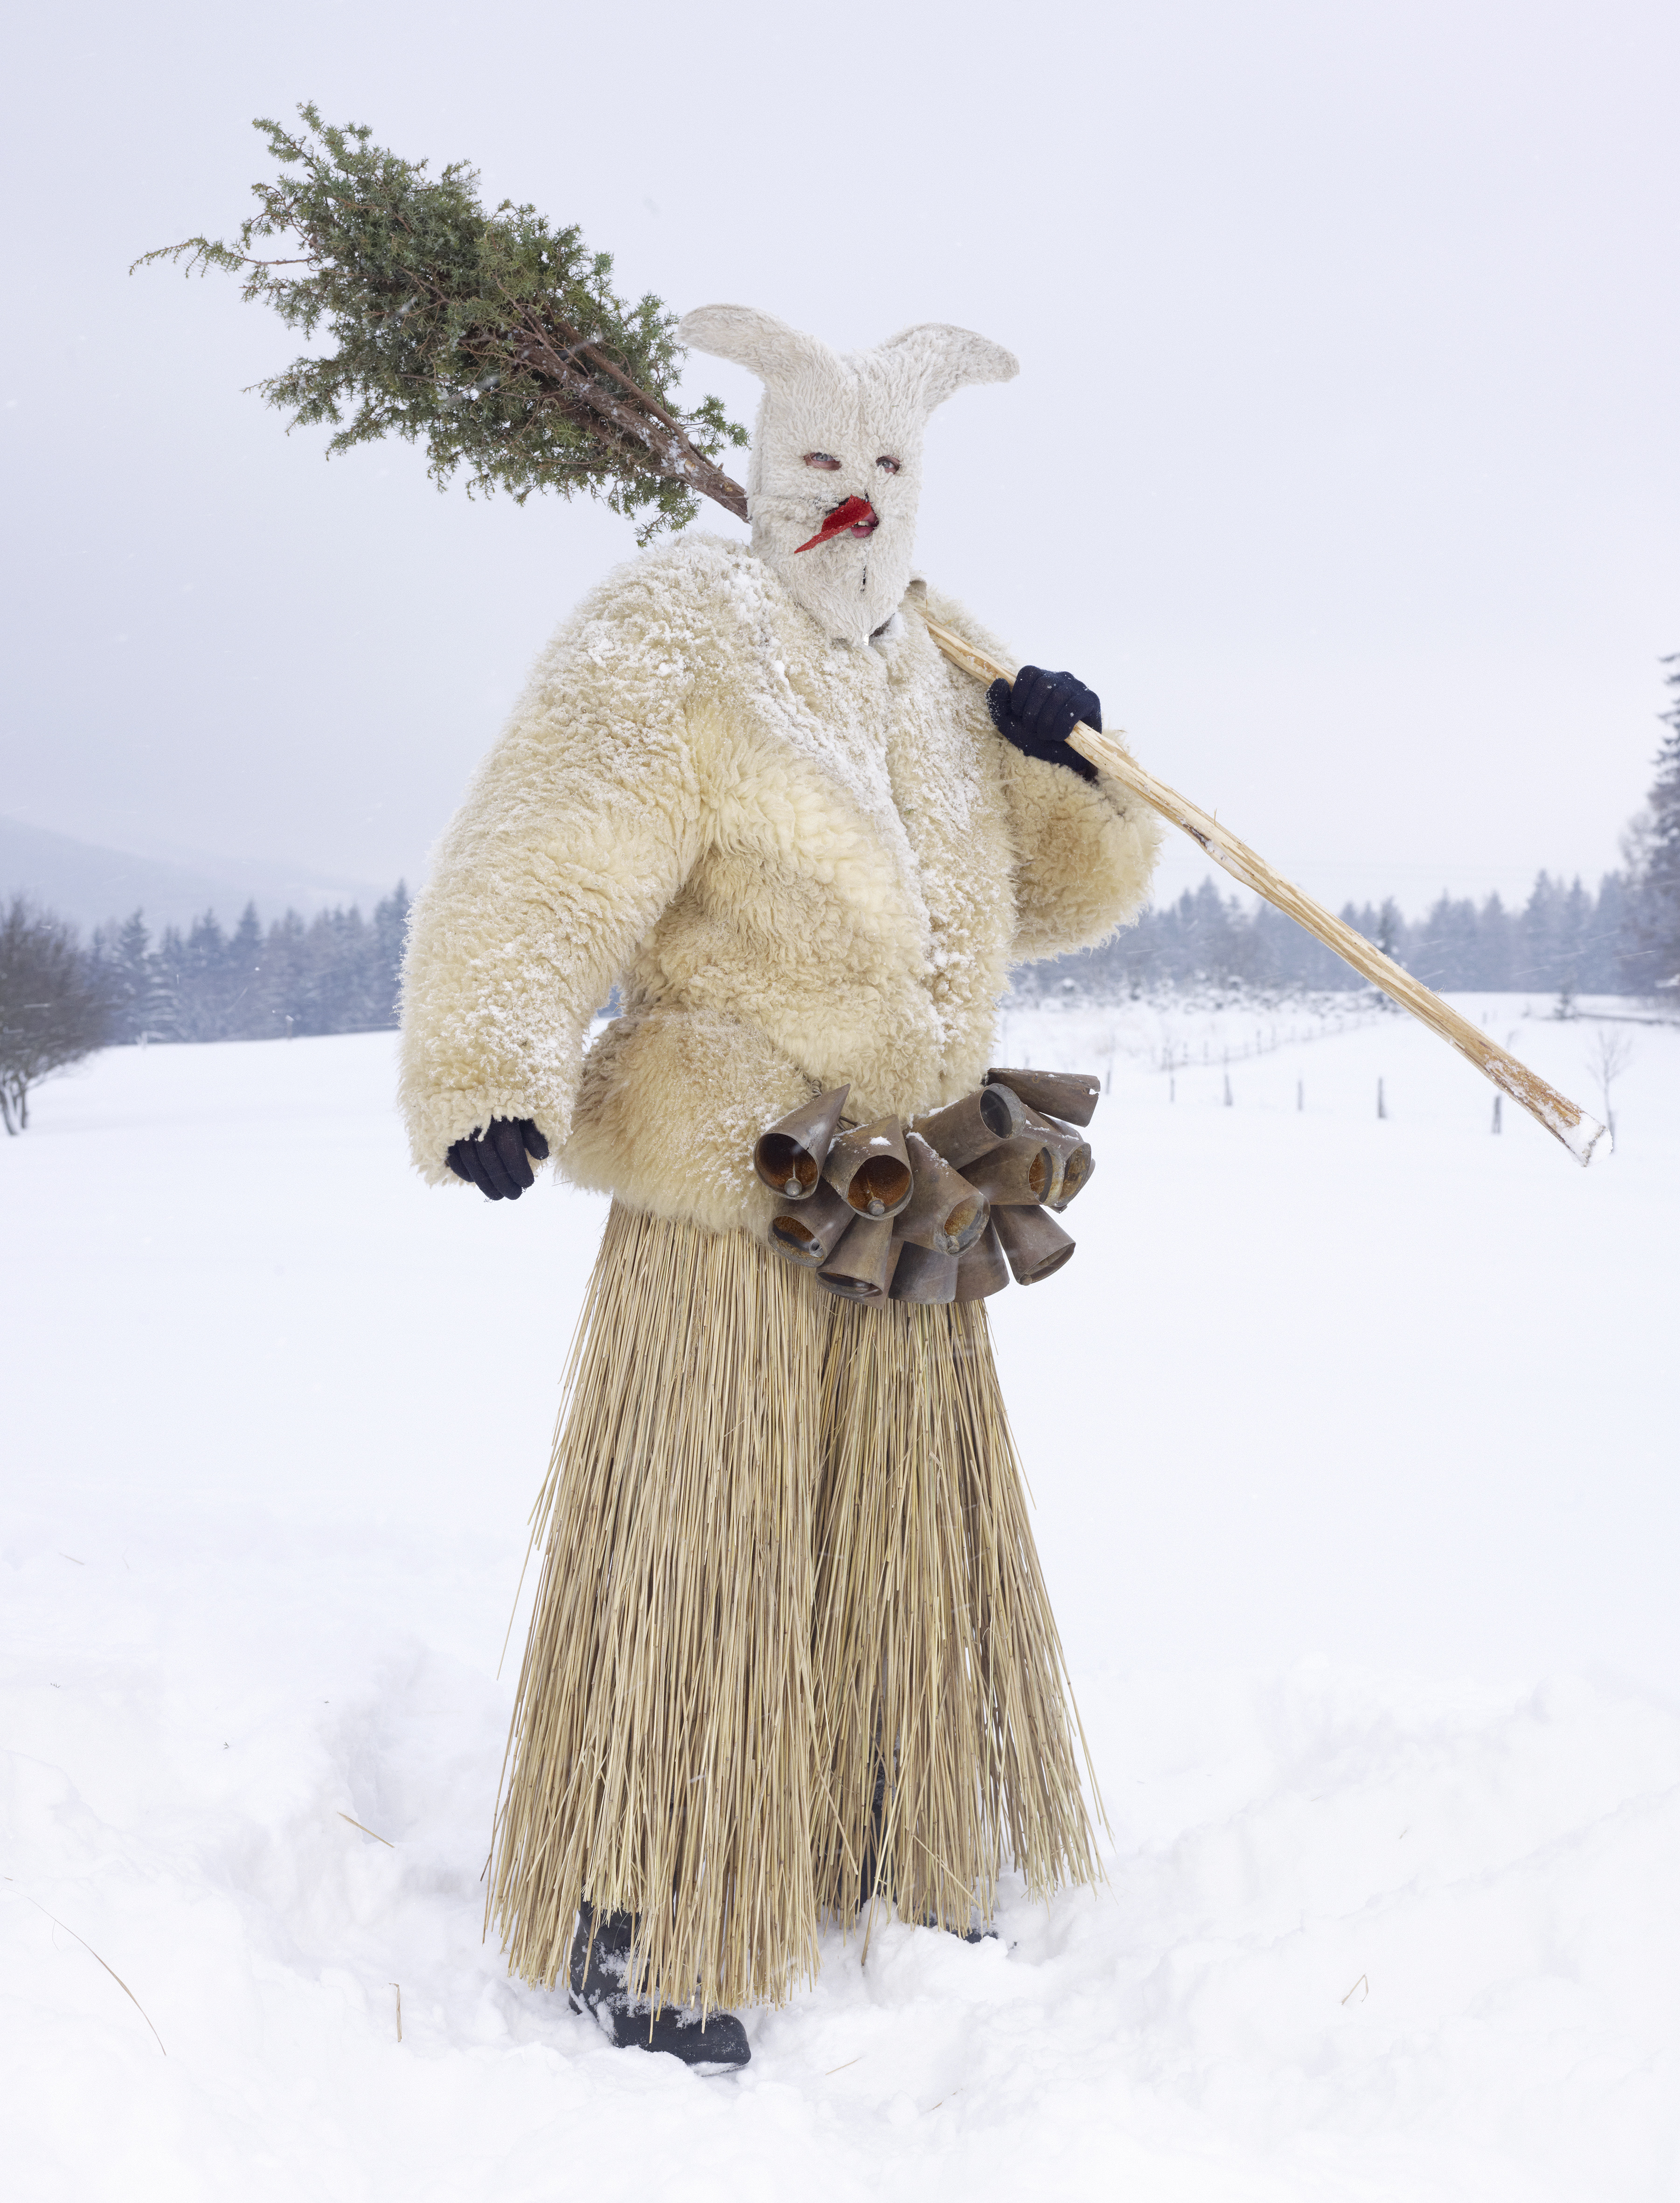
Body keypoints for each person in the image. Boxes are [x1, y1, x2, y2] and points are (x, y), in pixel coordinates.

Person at [398, 305, 1160, 2071]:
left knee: (900, 1540)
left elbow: (1030, 902)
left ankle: (889, 1826)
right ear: (760, 468)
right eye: (818, 459)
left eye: (885, 465)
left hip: (911, 1177)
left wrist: (1069, 771)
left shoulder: (930, 667)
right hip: (738, 1165)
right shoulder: (676, 629)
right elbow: (549, 837)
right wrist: (492, 1066)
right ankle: (644, 1891)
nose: (852, 492)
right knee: (700, 1547)